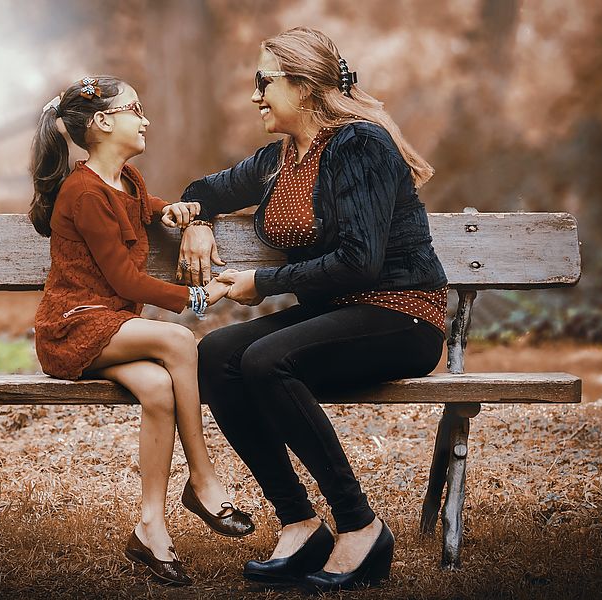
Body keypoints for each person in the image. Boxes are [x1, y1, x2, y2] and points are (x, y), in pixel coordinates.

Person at [178, 28, 448, 592]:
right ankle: (300, 521)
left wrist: (264, 281)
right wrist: (198, 222)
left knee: (266, 360)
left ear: (302, 87)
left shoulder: (359, 145)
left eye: (263, 82)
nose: (255, 96)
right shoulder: (281, 158)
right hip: (338, 314)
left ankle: (359, 525)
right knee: (218, 354)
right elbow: (205, 186)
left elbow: (361, 262)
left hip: (400, 313)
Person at [28, 76, 254, 587]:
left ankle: (150, 526)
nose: (144, 118)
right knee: (177, 340)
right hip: (72, 326)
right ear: (103, 123)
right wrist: (202, 296)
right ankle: (202, 478)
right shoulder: (82, 191)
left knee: (157, 389)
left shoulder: (127, 180)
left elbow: (145, 210)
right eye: (135, 109)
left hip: (110, 325)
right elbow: (126, 280)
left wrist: (180, 213)